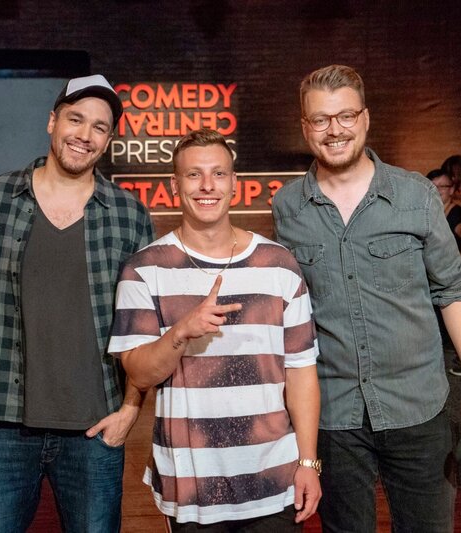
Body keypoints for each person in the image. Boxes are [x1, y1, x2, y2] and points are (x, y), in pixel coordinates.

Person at [272, 64, 461, 532]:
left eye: (345, 115)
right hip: (334, 413)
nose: (334, 130)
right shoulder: (288, 206)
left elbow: (452, 292)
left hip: (416, 406)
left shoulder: (414, 194)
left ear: (366, 119)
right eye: (320, 120)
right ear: (305, 128)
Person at [0, 74, 155, 532]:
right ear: (52, 122)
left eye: (99, 127)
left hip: (95, 428)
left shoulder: (129, 215)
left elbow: (144, 327)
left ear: (108, 140)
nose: (84, 135)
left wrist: (130, 410)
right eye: (75, 119)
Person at [109, 128, 321, 531]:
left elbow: (301, 372)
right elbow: (138, 373)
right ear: (175, 186)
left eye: (218, 174)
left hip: (273, 477)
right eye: (193, 175)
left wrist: (308, 462)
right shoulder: (144, 269)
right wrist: (181, 332)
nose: (207, 185)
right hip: (193, 488)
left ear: (234, 184)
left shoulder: (278, 264)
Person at [426, 168, 461, 242]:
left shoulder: (458, 214)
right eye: (432, 187)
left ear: (451, 190)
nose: (436, 190)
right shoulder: (426, 212)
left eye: (442, 186)